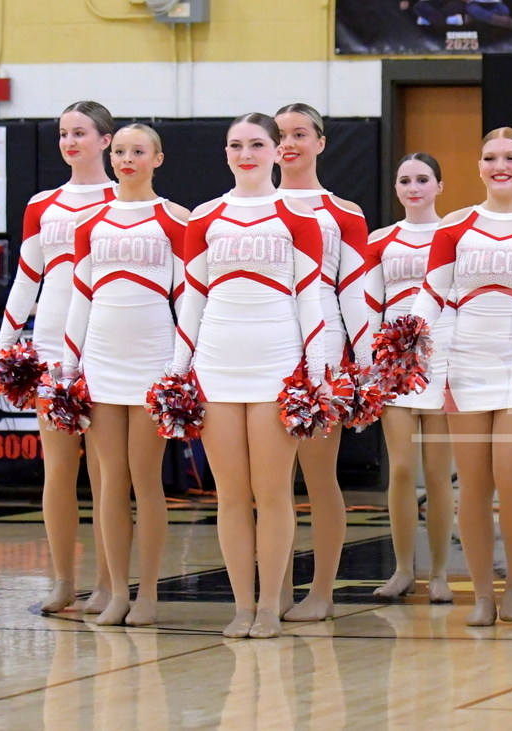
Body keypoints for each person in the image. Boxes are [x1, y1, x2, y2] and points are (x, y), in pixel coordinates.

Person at [172, 113, 327, 639]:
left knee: (273, 492)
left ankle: (269, 606)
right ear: (226, 152)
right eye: (236, 145)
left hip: (277, 366)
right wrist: (178, 372)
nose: (246, 154)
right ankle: (242, 606)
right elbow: (192, 300)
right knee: (231, 494)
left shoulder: (298, 216)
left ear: (276, 150)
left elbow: (310, 300)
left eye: (257, 144)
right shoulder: (205, 216)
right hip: (216, 364)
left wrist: (315, 372)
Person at [405, 128, 512, 626]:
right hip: (466, 361)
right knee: (472, 484)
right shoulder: (456, 226)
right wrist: (409, 341)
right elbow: (431, 292)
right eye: (490, 157)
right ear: (479, 166)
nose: (500, 166)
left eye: (511, 157)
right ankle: (483, 594)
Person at [61, 124, 188, 626]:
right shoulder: (90, 221)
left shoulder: (175, 218)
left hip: (153, 358)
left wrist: (180, 367)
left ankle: (149, 593)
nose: (127, 158)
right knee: (110, 480)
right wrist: (70, 365)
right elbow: (80, 297)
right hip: (102, 360)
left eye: (138, 151)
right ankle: (116, 592)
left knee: (145, 479)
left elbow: (188, 298)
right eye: (119, 151)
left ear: (158, 158)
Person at [0, 101, 115, 614]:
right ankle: (64, 581)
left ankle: (109, 584)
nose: (70, 142)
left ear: (105, 140)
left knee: (109, 475)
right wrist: (6, 344)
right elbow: (27, 278)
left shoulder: (123, 200)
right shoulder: (42, 204)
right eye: (64, 133)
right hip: (49, 348)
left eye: (80, 133)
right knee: (59, 472)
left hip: (105, 346)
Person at [275, 103, 371, 623]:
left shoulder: (344, 212)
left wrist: (367, 363)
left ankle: (322, 592)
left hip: (324, 346)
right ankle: (276, 588)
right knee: (270, 483)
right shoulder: (248, 205)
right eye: (279, 135)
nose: (288, 143)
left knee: (318, 476)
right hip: (263, 341)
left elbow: (354, 292)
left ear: (320, 143)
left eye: (299, 134)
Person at [367, 153, 456, 603]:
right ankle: (403, 570)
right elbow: (370, 304)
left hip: (443, 359)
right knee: (401, 469)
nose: (413, 188)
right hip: (395, 365)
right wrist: (369, 363)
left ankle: (439, 573)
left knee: (438, 474)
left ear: (439, 186)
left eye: (423, 179)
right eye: (405, 180)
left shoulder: (456, 234)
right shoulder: (381, 239)